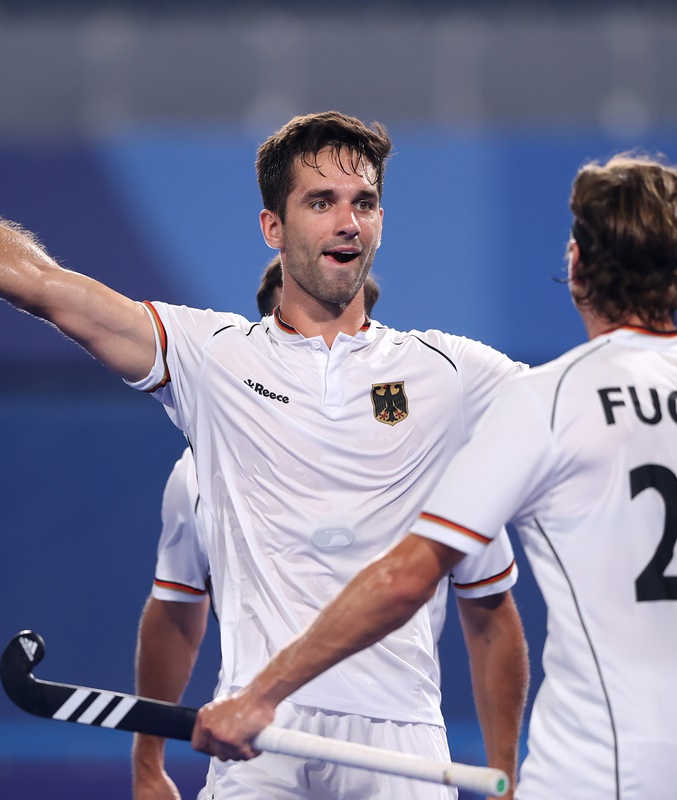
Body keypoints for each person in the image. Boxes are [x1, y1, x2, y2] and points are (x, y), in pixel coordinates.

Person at [0, 75, 677, 799]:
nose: (348, 218)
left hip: (403, 748)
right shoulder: (208, 354)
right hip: (255, 736)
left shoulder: (459, 373)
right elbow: (33, 279)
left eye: (364, 199)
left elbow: (627, 395)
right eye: (321, 200)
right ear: (274, 227)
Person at [191, 153, 677, 799]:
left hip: (590, 776)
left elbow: (406, 578)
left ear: (577, 261)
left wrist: (262, 695)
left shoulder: (551, 401)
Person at [137, 260, 522, 799]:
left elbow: (490, 614)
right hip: (255, 739)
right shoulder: (196, 476)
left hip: (399, 736)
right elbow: (176, 615)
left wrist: (507, 776)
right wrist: (148, 762)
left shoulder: (432, 444)